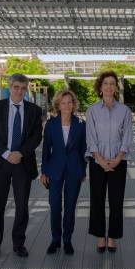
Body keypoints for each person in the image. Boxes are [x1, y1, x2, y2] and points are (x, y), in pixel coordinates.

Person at [0, 73, 43, 259]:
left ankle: (19, 244)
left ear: (26, 90)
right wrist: (6, 153)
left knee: (22, 207)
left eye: (23, 88)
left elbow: (36, 136)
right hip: (0, 163)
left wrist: (20, 153)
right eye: (16, 87)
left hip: (22, 163)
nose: (19, 91)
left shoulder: (34, 110)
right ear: (10, 87)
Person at [86, 71, 132, 253]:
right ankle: (100, 236)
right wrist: (100, 160)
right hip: (98, 162)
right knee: (97, 200)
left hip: (118, 162)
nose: (109, 87)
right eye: (106, 83)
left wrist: (118, 159)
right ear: (100, 87)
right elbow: (90, 137)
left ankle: (112, 237)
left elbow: (127, 137)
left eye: (112, 83)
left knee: (116, 201)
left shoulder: (125, 111)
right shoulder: (92, 111)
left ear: (116, 88)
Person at [40, 90, 87, 255]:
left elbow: (83, 150)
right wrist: (43, 171)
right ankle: (55, 239)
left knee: (70, 207)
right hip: (54, 170)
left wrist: (83, 170)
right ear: (58, 105)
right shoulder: (51, 125)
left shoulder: (81, 124)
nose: (66, 106)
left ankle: (67, 240)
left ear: (73, 104)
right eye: (63, 103)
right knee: (54, 206)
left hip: (74, 170)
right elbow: (46, 150)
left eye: (69, 102)